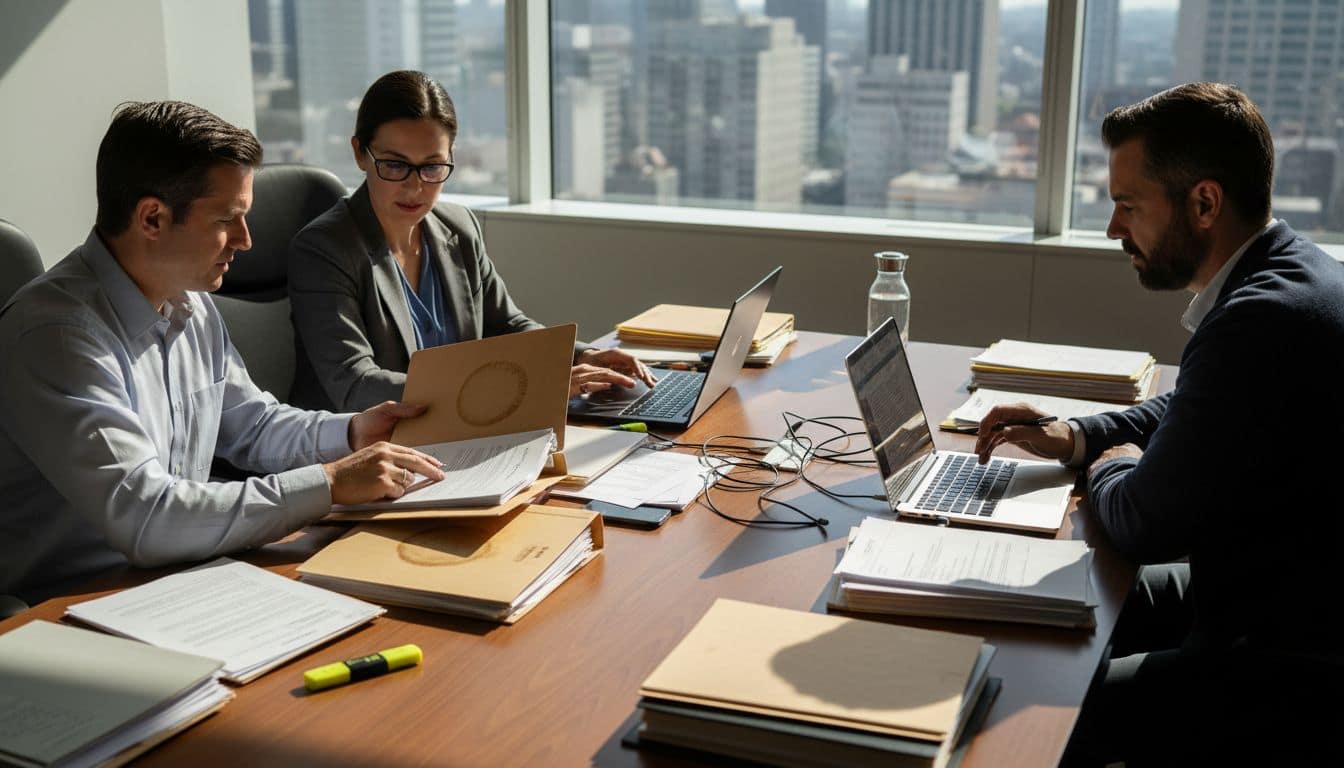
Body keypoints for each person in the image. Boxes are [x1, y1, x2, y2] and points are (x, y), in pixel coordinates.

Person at [974, 83, 1344, 763]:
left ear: (1204, 203)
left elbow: (1145, 522)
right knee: (1036, 602)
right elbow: (1189, 405)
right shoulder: (1301, 274)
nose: (1115, 229)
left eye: (1127, 206)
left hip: (1287, 664)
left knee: (1014, 719)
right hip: (1270, 596)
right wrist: (1078, 433)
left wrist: (1107, 465)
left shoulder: (1257, 321)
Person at [0, 101, 446, 606]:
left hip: (178, 576)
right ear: (152, 217)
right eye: (228, 219)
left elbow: (251, 425)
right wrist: (328, 484)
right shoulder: (57, 335)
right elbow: (147, 517)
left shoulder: (188, 302)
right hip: (68, 605)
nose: (246, 240)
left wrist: (351, 433)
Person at [287, 70, 654, 413]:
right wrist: (523, 387)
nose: (415, 187)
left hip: (461, 433)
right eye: (395, 165)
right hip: (364, 452)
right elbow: (356, 385)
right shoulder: (325, 249)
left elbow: (507, 326)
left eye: (432, 166)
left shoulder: (458, 226)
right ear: (359, 153)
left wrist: (579, 358)